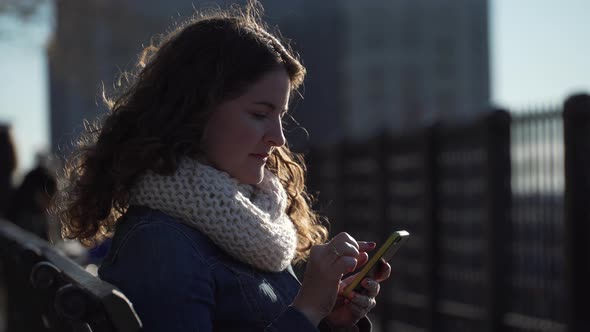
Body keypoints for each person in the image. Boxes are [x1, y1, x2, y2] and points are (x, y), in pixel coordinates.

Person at [52, 2, 391, 331]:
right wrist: (307, 309)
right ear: (195, 110)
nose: (278, 139)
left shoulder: (249, 225)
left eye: (281, 117)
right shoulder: (160, 246)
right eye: (260, 114)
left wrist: (327, 318)